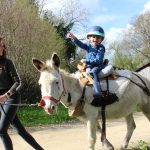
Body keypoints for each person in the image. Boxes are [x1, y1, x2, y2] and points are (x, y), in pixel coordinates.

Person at [0, 37, 44, 150]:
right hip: (1, 100)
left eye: (2, 45)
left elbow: (18, 82)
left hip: (11, 98)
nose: (1, 47)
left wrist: (6, 95)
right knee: (20, 130)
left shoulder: (8, 62)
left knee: (1, 130)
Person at [67, 26, 105, 98]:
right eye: (93, 37)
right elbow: (80, 44)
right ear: (89, 38)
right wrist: (73, 38)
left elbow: (98, 60)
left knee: (93, 72)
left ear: (101, 39)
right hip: (89, 66)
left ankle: (98, 91)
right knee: (82, 72)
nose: (95, 39)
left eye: (98, 38)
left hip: (98, 65)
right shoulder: (88, 46)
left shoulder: (101, 48)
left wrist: (87, 61)